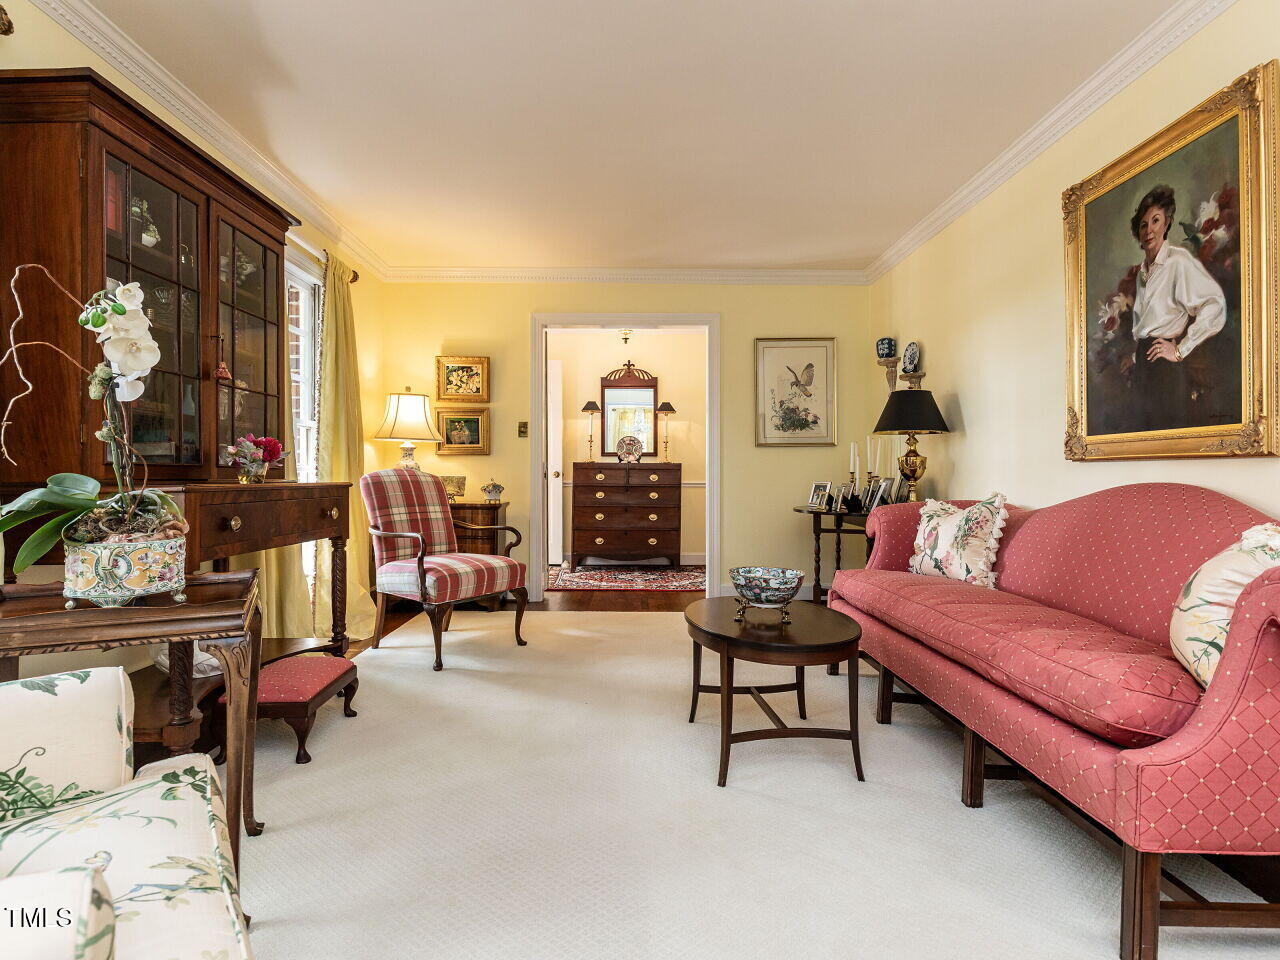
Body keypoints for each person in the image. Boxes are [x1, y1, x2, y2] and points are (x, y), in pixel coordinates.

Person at [1120, 185, 1226, 431]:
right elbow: (1149, 324)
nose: (1149, 230)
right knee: (1140, 441)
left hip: (1166, 370)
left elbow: (1215, 304)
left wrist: (1179, 350)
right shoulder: (1142, 273)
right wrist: (1136, 357)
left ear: (1166, 224)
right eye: (1143, 224)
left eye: (1155, 221)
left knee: (1166, 439)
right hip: (1145, 366)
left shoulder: (1178, 261)